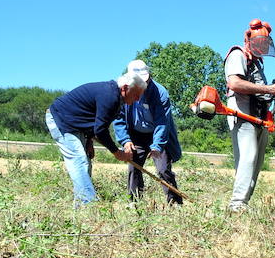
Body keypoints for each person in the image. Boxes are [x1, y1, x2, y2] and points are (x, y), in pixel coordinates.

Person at [45, 73, 145, 204]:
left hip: (77, 125)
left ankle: (81, 205)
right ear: (125, 88)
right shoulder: (110, 96)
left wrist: (89, 141)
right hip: (61, 120)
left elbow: (92, 120)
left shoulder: (117, 99)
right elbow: (101, 130)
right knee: (79, 161)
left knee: (85, 163)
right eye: (136, 94)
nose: (137, 99)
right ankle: (88, 203)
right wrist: (117, 152)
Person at [225, 18, 275, 212]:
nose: (262, 47)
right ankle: (237, 204)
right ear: (250, 40)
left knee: (256, 163)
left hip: (258, 118)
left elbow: (258, 91)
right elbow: (234, 83)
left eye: (265, 44)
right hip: (242, 116)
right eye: (259, 43)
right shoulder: (238, 55)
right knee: (247, 158)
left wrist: (271, 92)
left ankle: (244, 203)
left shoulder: (257, 63)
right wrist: (267, 88)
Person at [113, 60, 183, 204]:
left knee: (163, 169)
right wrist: (125, 140)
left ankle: (174, 203)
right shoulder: (123, 91)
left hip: (158, 136)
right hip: (136, 136)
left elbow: (162, 122)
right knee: (134, 167)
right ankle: (134, 202)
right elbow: (118, 119)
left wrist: (157, 146)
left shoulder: (160, 93)